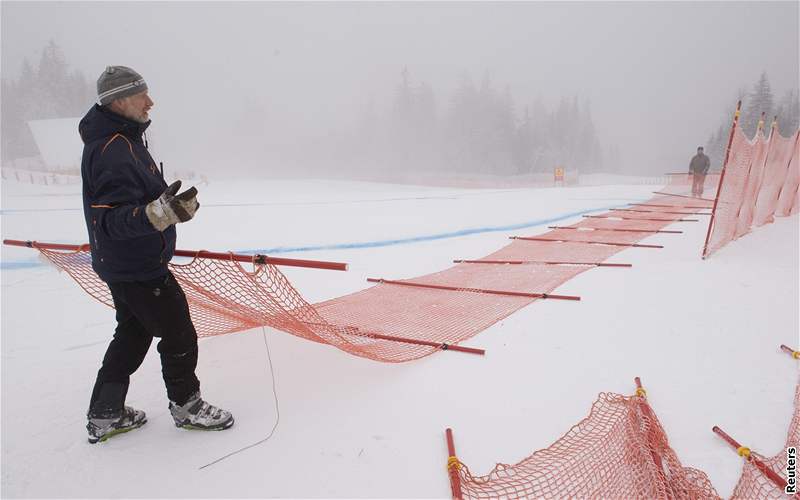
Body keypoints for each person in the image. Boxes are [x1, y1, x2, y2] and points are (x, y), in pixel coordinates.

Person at [80, 66, 233, 443]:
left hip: (124, 262)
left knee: (133, 334)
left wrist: (168, 206)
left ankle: (105, 414)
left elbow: (131, 203)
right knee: (179, 333)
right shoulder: (112, 149)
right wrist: (158, 215)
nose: (150, 102)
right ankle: (187, 406)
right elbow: (110, 221)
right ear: (118, 101)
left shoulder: (123, 141)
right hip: (137, 265)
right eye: (141, 95)